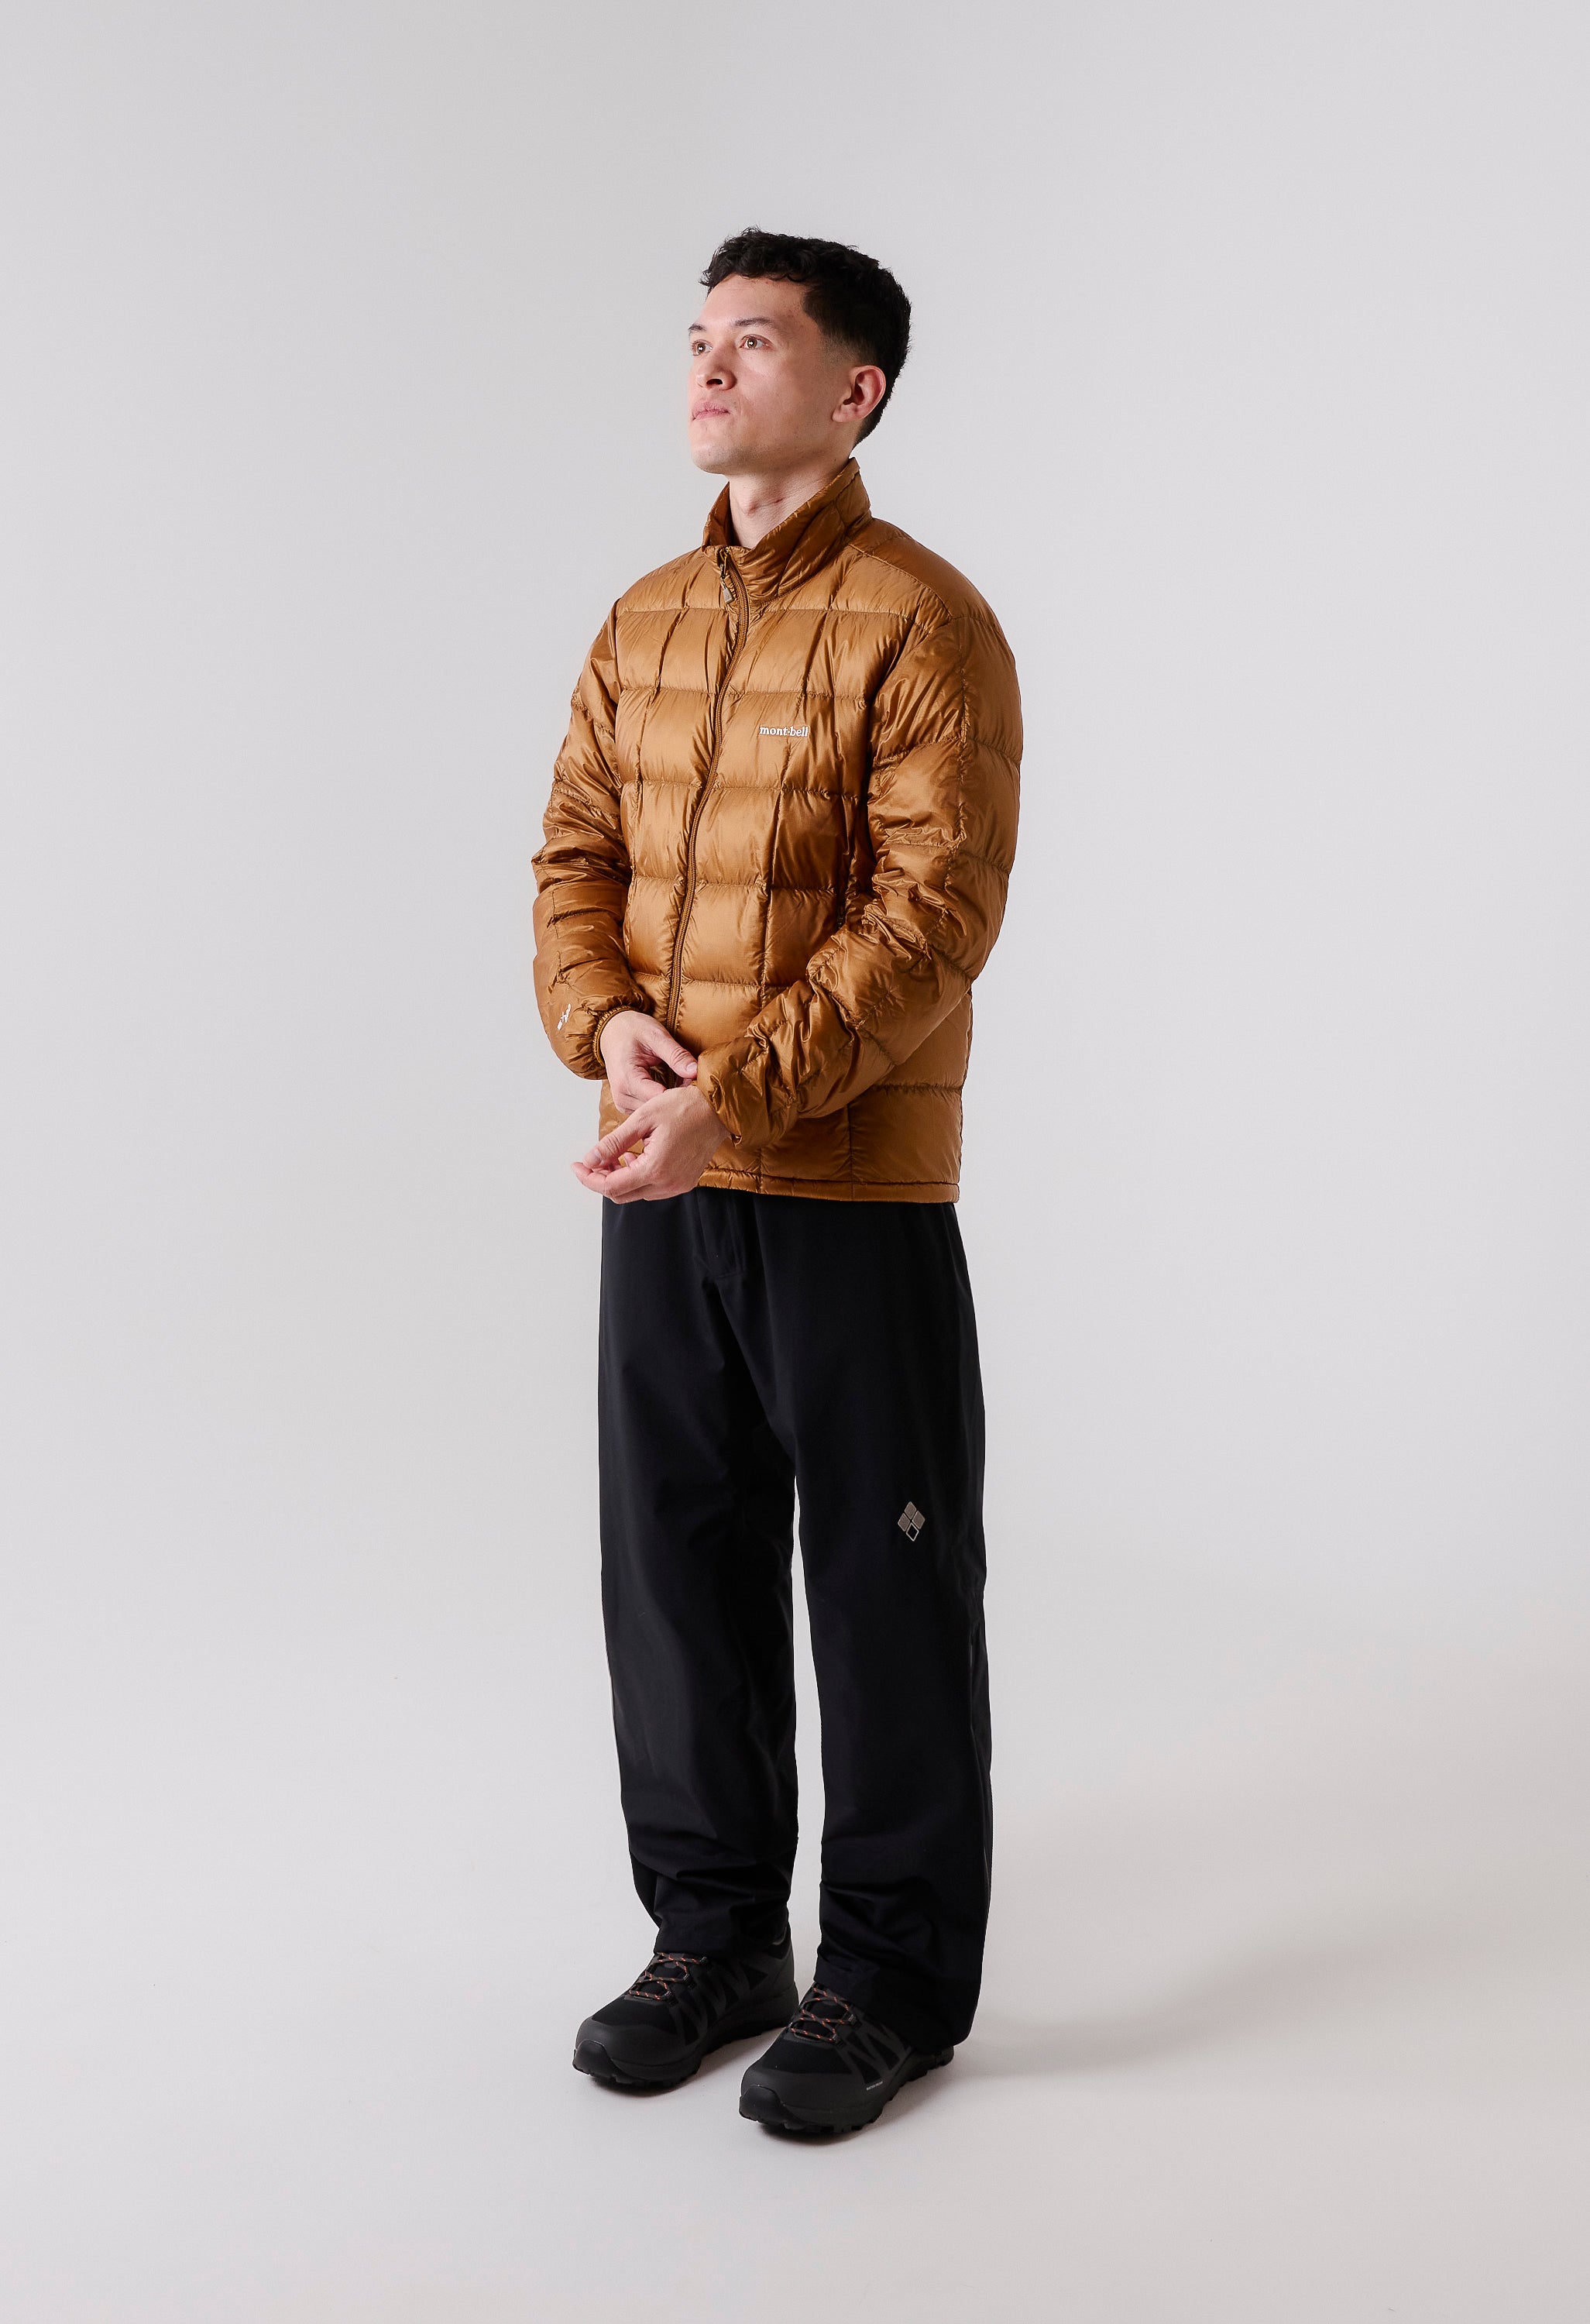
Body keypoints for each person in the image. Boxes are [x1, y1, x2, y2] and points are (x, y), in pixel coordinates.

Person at [532, 229, 1022, 2134]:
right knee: (675, 1560)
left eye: (752, 341)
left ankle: (888, 1980)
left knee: (884, 1587)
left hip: (848, 1189)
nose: (709, 368)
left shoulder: (923, 622)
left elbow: (933, 916)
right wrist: (607, 1027)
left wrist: (733, 1099)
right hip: (664, 1172)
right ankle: (715, 1937)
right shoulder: (645, 616)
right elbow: (574, 852)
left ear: (854, 389)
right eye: (697, 338)